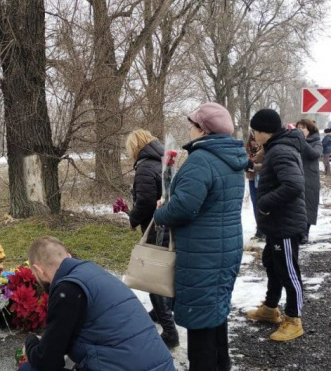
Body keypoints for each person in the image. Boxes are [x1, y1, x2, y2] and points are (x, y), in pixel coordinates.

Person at [153, 102, 246, 371]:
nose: (189, 129)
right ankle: (221, 365)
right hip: (224, 247)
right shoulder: (231, 159)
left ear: (203, 130)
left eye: (192, 125)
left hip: (202, 253)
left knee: (200, 321)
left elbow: (184, 208)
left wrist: (161, 213)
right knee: (215, 312)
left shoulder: (201, 160)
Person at [20, 236, 175, 371]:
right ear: (68, 256)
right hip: (158, 364)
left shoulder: (68, 289)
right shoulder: (92, 273)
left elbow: (48, 361)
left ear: (38, 270)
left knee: (29, 369)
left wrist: (31, 344)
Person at [246, 108, 307, 342]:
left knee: (288, 271)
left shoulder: (280, 149)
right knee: (272, 264)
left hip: (284, 222)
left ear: (264, 131)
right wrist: (257, 168)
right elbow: (279, 172)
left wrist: (264, 203)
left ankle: (294, 319)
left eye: (255, 131)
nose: (253, 136)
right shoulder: (276, 148)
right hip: (276, 222)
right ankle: (271, 308)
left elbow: (293, 185)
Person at [124, 129, 179, 348]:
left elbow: (146, 201)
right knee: (166, 270)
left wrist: (132, 219)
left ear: (136, 147)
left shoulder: (146, 166)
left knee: (154, 276)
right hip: (168, 225)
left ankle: (169, 331)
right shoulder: (163, 160)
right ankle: (160, 312)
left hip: (156, 226)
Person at [295, 119, 322, 245]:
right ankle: (297, 232)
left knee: (309, 205)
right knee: (296, 205)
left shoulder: (316, 141)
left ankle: (305, 233)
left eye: (303, 128)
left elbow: (315, 154)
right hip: (296, 176)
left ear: (309, 130)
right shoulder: (295, 140)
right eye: (298, 127)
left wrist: (303, 142)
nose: (300, 130)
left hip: (310, 178)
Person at [245, 132, 264, 240]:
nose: (254, 143)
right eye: (252, 140)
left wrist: (254, 166)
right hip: (252, 179)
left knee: (261, 205)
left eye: (256, 140)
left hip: (262, 179)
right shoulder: (247, 150)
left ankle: (263, 230)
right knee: (255, 204)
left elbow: (268, 163)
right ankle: (259, 229)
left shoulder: (265, 149)